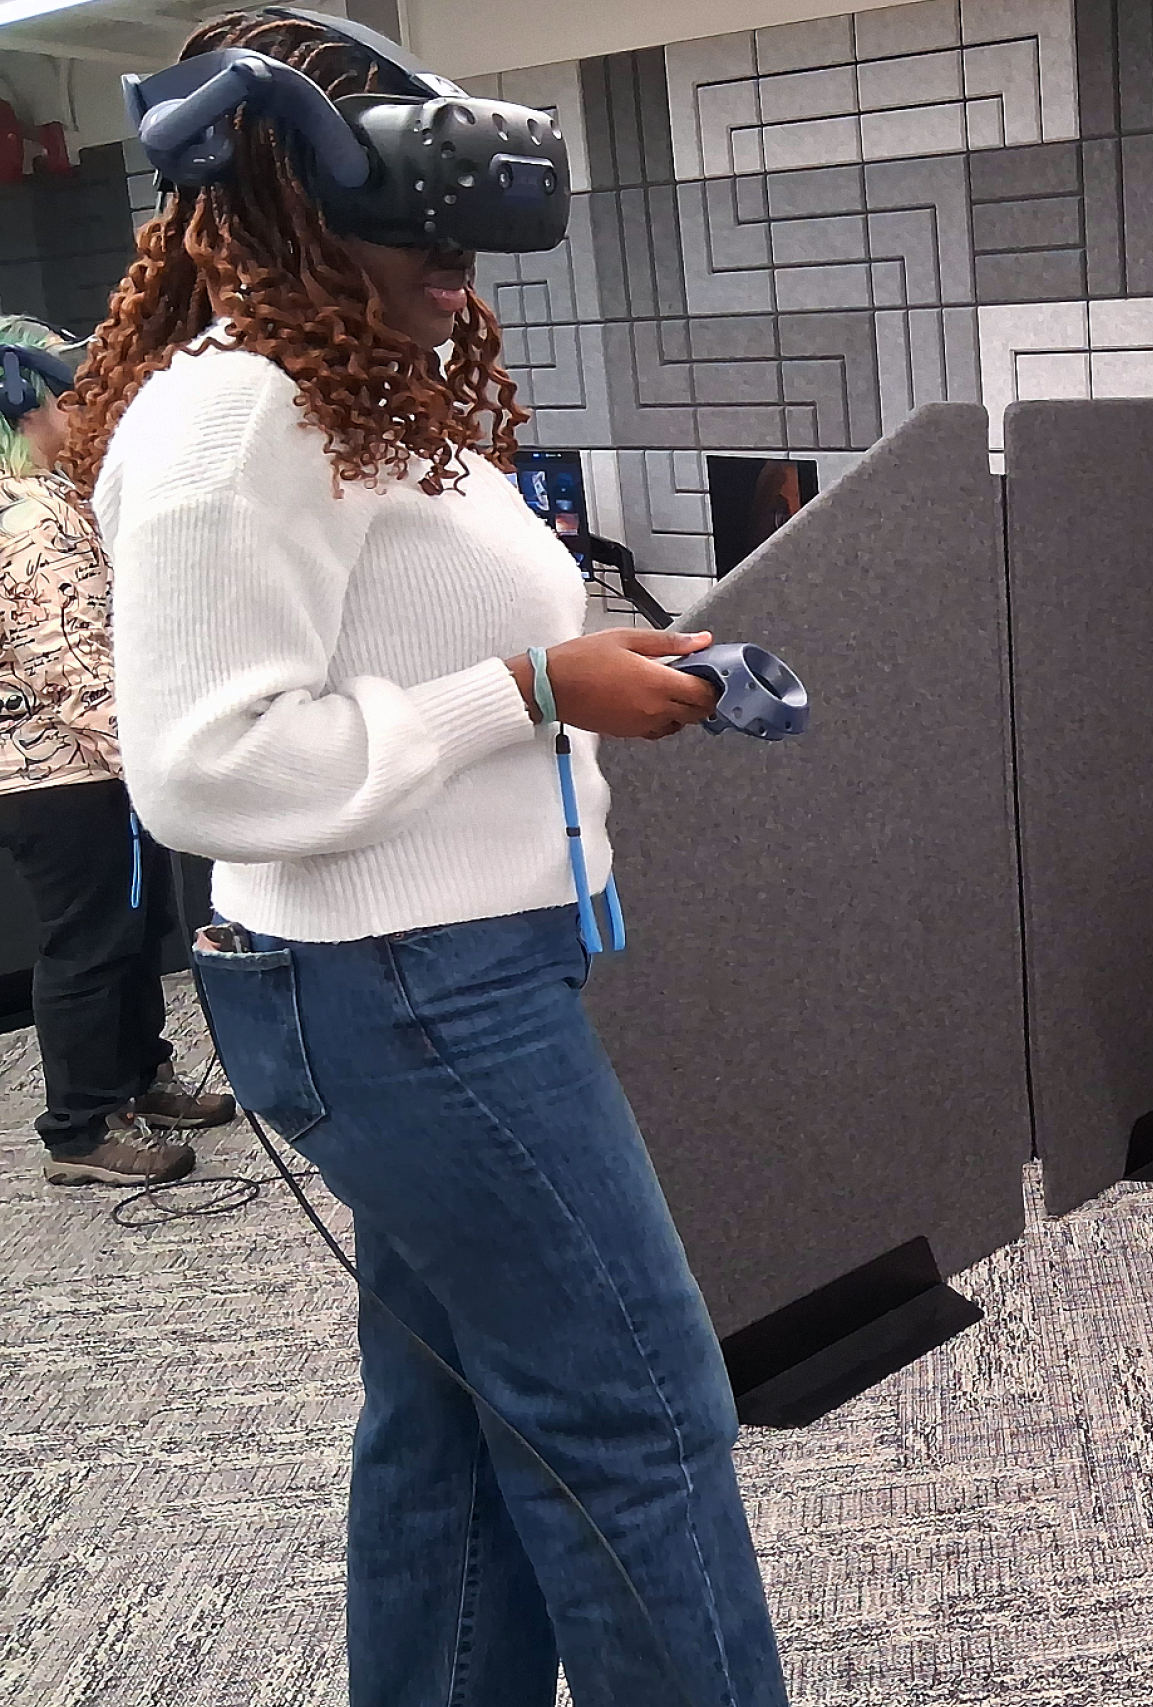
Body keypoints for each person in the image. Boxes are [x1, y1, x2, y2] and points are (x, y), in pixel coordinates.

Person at [62, 12, 788, 1704]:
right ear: (297, 205)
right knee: (639, 1413)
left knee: (457, 1423)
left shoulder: (355, 401)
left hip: (457, 972)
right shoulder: (232, 421)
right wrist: (531, 686)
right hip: (400, 991)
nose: (460, 273)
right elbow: (202, 766)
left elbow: (404, 655)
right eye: (427, 234)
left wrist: (596, 670)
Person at [0, 316, 232, 1186]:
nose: (78, 411)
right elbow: (70, 660)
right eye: (63, 400)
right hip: (65, 773)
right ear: (29, 411)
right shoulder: (28, 519)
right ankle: (83, 1126)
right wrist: (153, 757)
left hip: (70, 767)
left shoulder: (37, 502)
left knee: (133, 930)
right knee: (93, 942)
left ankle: (139, 1077)